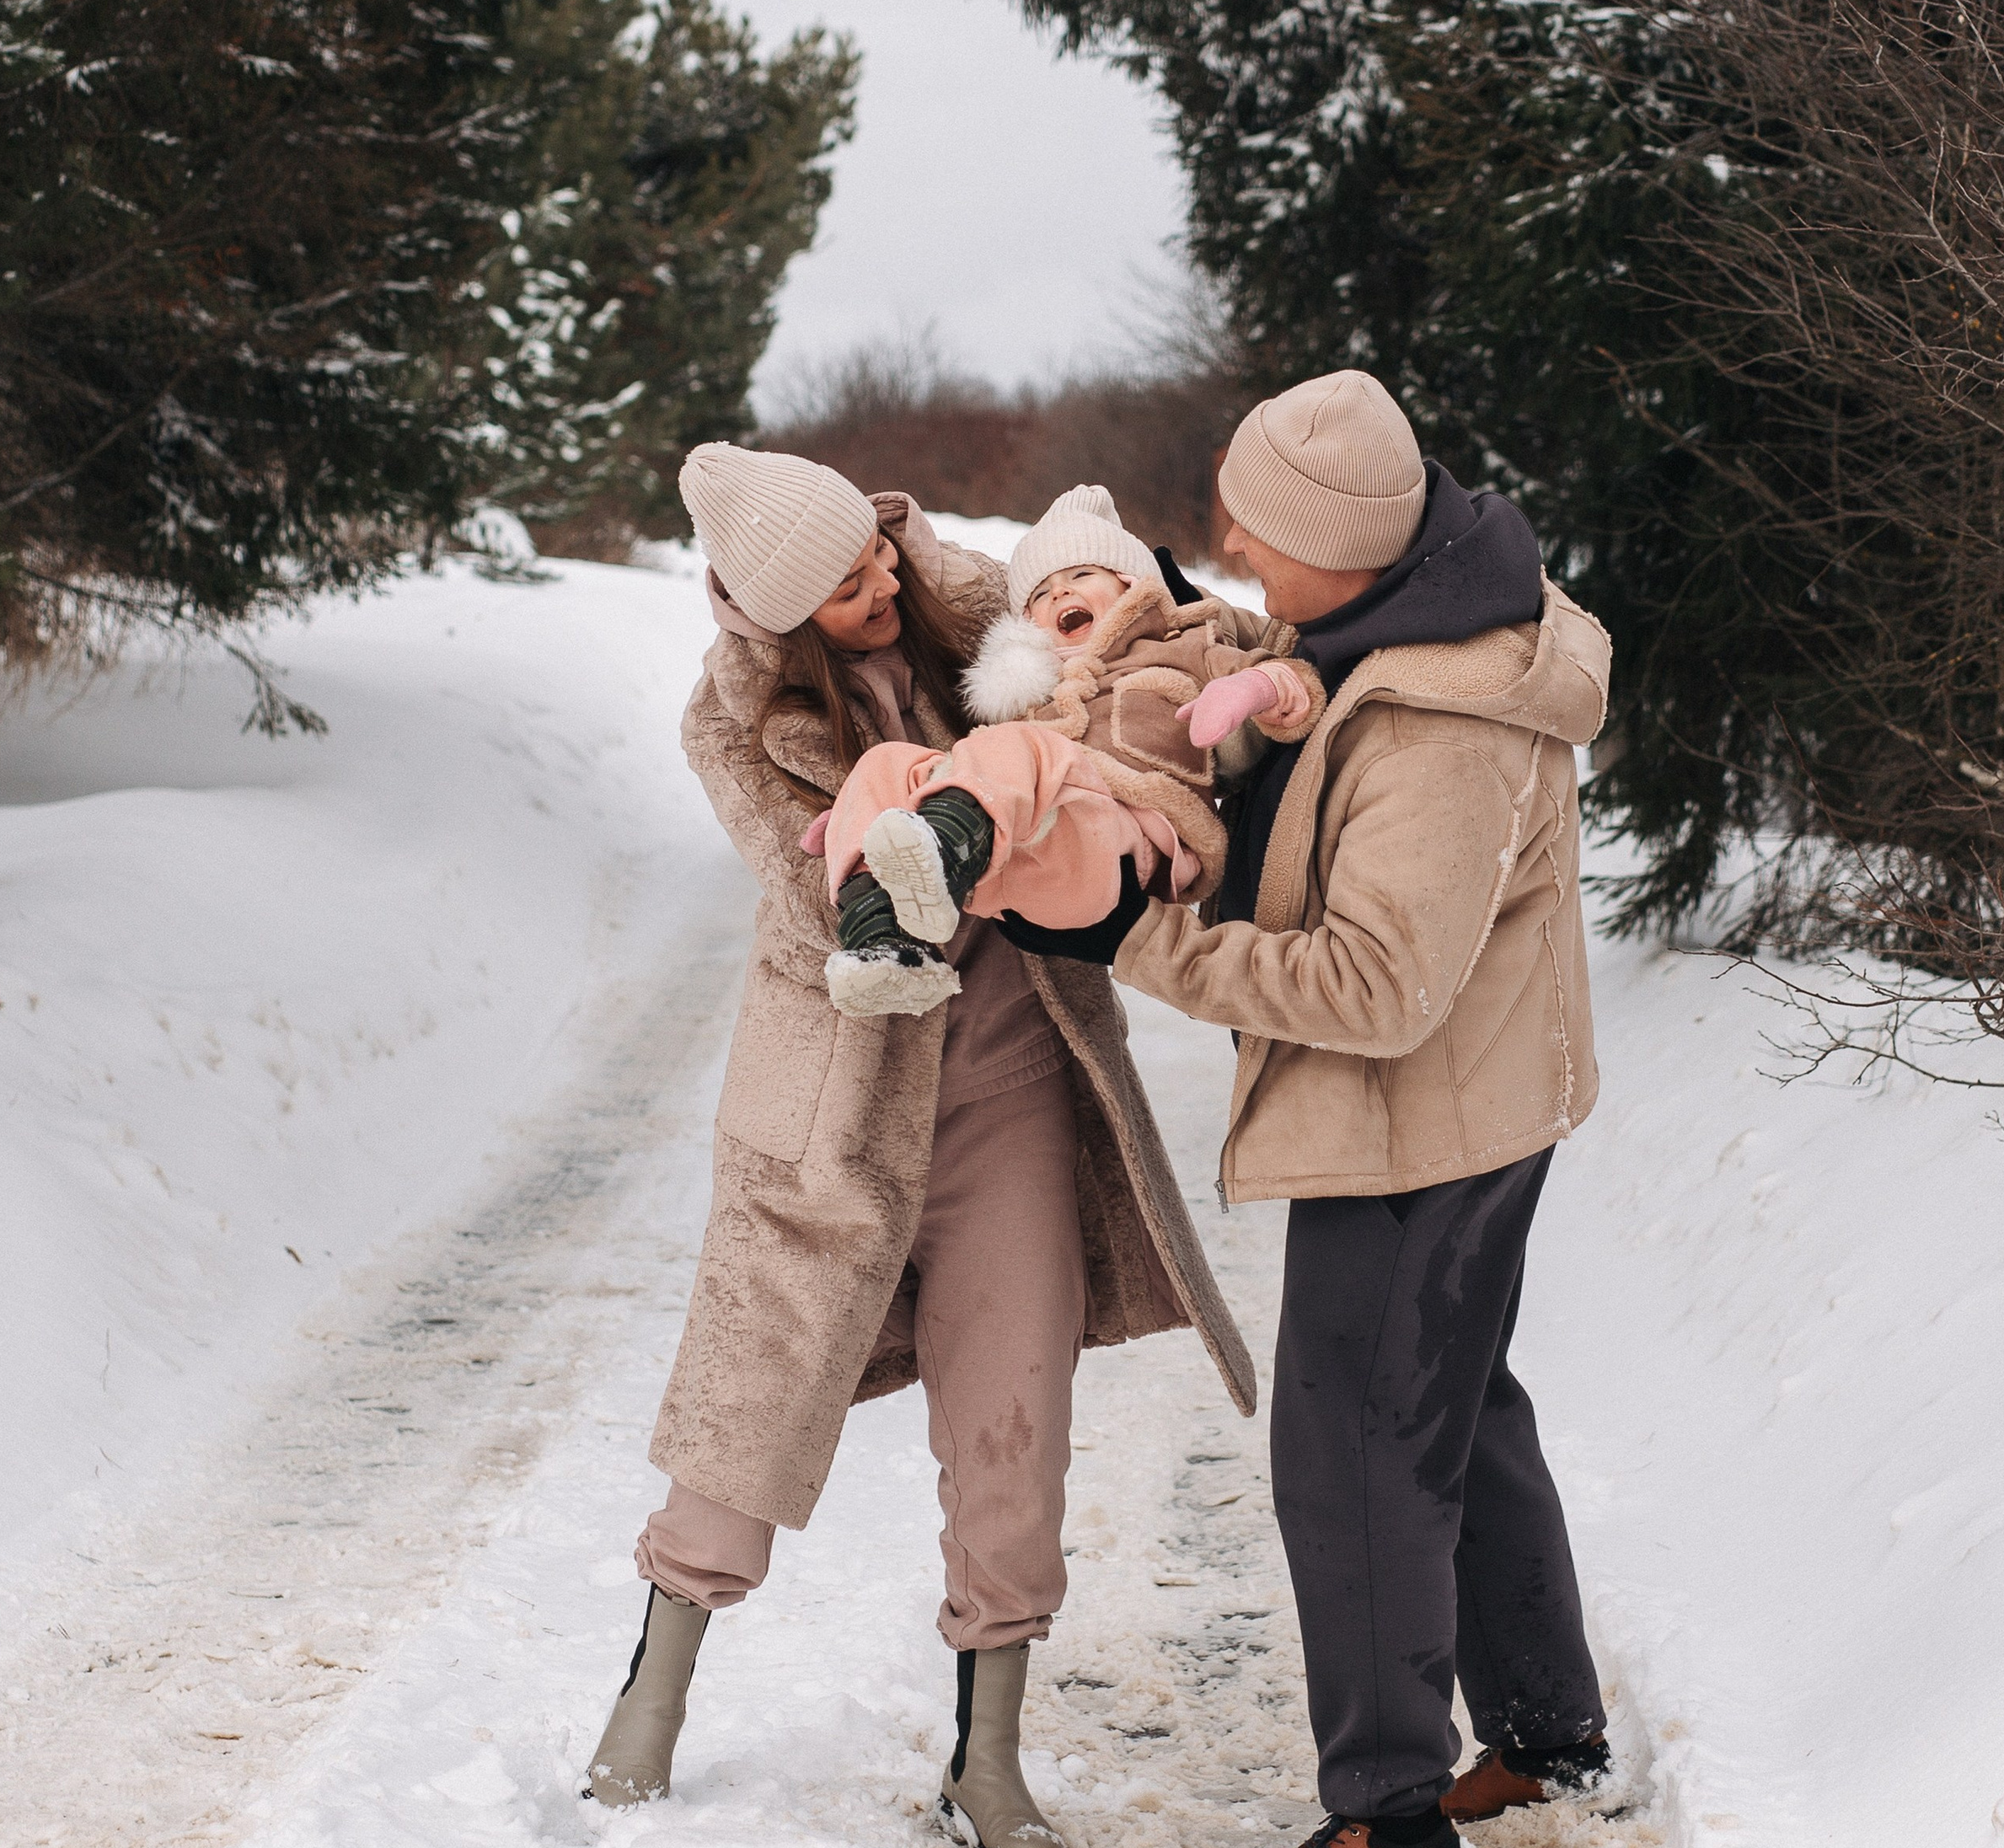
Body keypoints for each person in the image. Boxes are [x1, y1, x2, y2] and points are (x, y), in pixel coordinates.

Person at [581, 443, 1256, 1841]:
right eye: (841, 585)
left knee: (1016, 1417)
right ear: (772, 612)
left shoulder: (957, 602)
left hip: (1010, 1081)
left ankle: (987, 1756)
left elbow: (1107, 623)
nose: (879, 583)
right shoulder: (734, 722)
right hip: (834, 1104)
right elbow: (814, 892)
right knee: (746, 1402)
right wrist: (918, 826)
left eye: (875, 552)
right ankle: (648, 1702)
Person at [995, 372, 1616, 1848]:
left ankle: (1383, 1809)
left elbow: (1379, 986)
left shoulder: (1440, 724)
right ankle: (1548, 1737)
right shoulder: (1375, 618)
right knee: (1453, 1407)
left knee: (1353, 1450)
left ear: (1348, 540)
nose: (1229, 543)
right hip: (1475, 1095)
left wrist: (1126, 942)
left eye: (1258, 525)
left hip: (1427, 1122)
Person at [809, 483, 1325, 1015]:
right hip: (1021, 868)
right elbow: (987, 768)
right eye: (1040, 593)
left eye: (1081, 576)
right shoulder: (1035, 696)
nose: (1059, 594)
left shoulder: (1185, 649)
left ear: (1130, 586)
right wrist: (874, 806)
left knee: (1023, 749)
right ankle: (885, 945)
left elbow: (1301, 686)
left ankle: (941, 849)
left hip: (1127, 845)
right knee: (887, 761)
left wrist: (1255, 688)